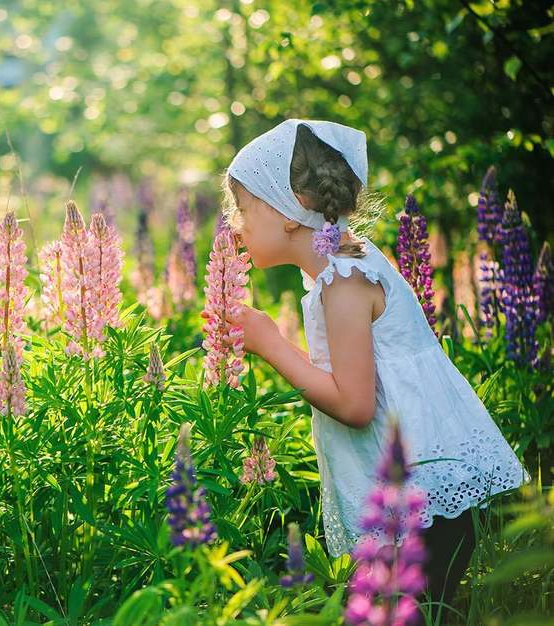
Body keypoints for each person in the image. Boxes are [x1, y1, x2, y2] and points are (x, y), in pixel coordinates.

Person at [219, 118, 530, 613]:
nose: (234, 223)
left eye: (243, 205)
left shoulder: (344, 281)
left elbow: (355, 405)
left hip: (427, 496)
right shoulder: (345, 266)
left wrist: (272, 345)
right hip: (425, 493)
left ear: (292, 208)